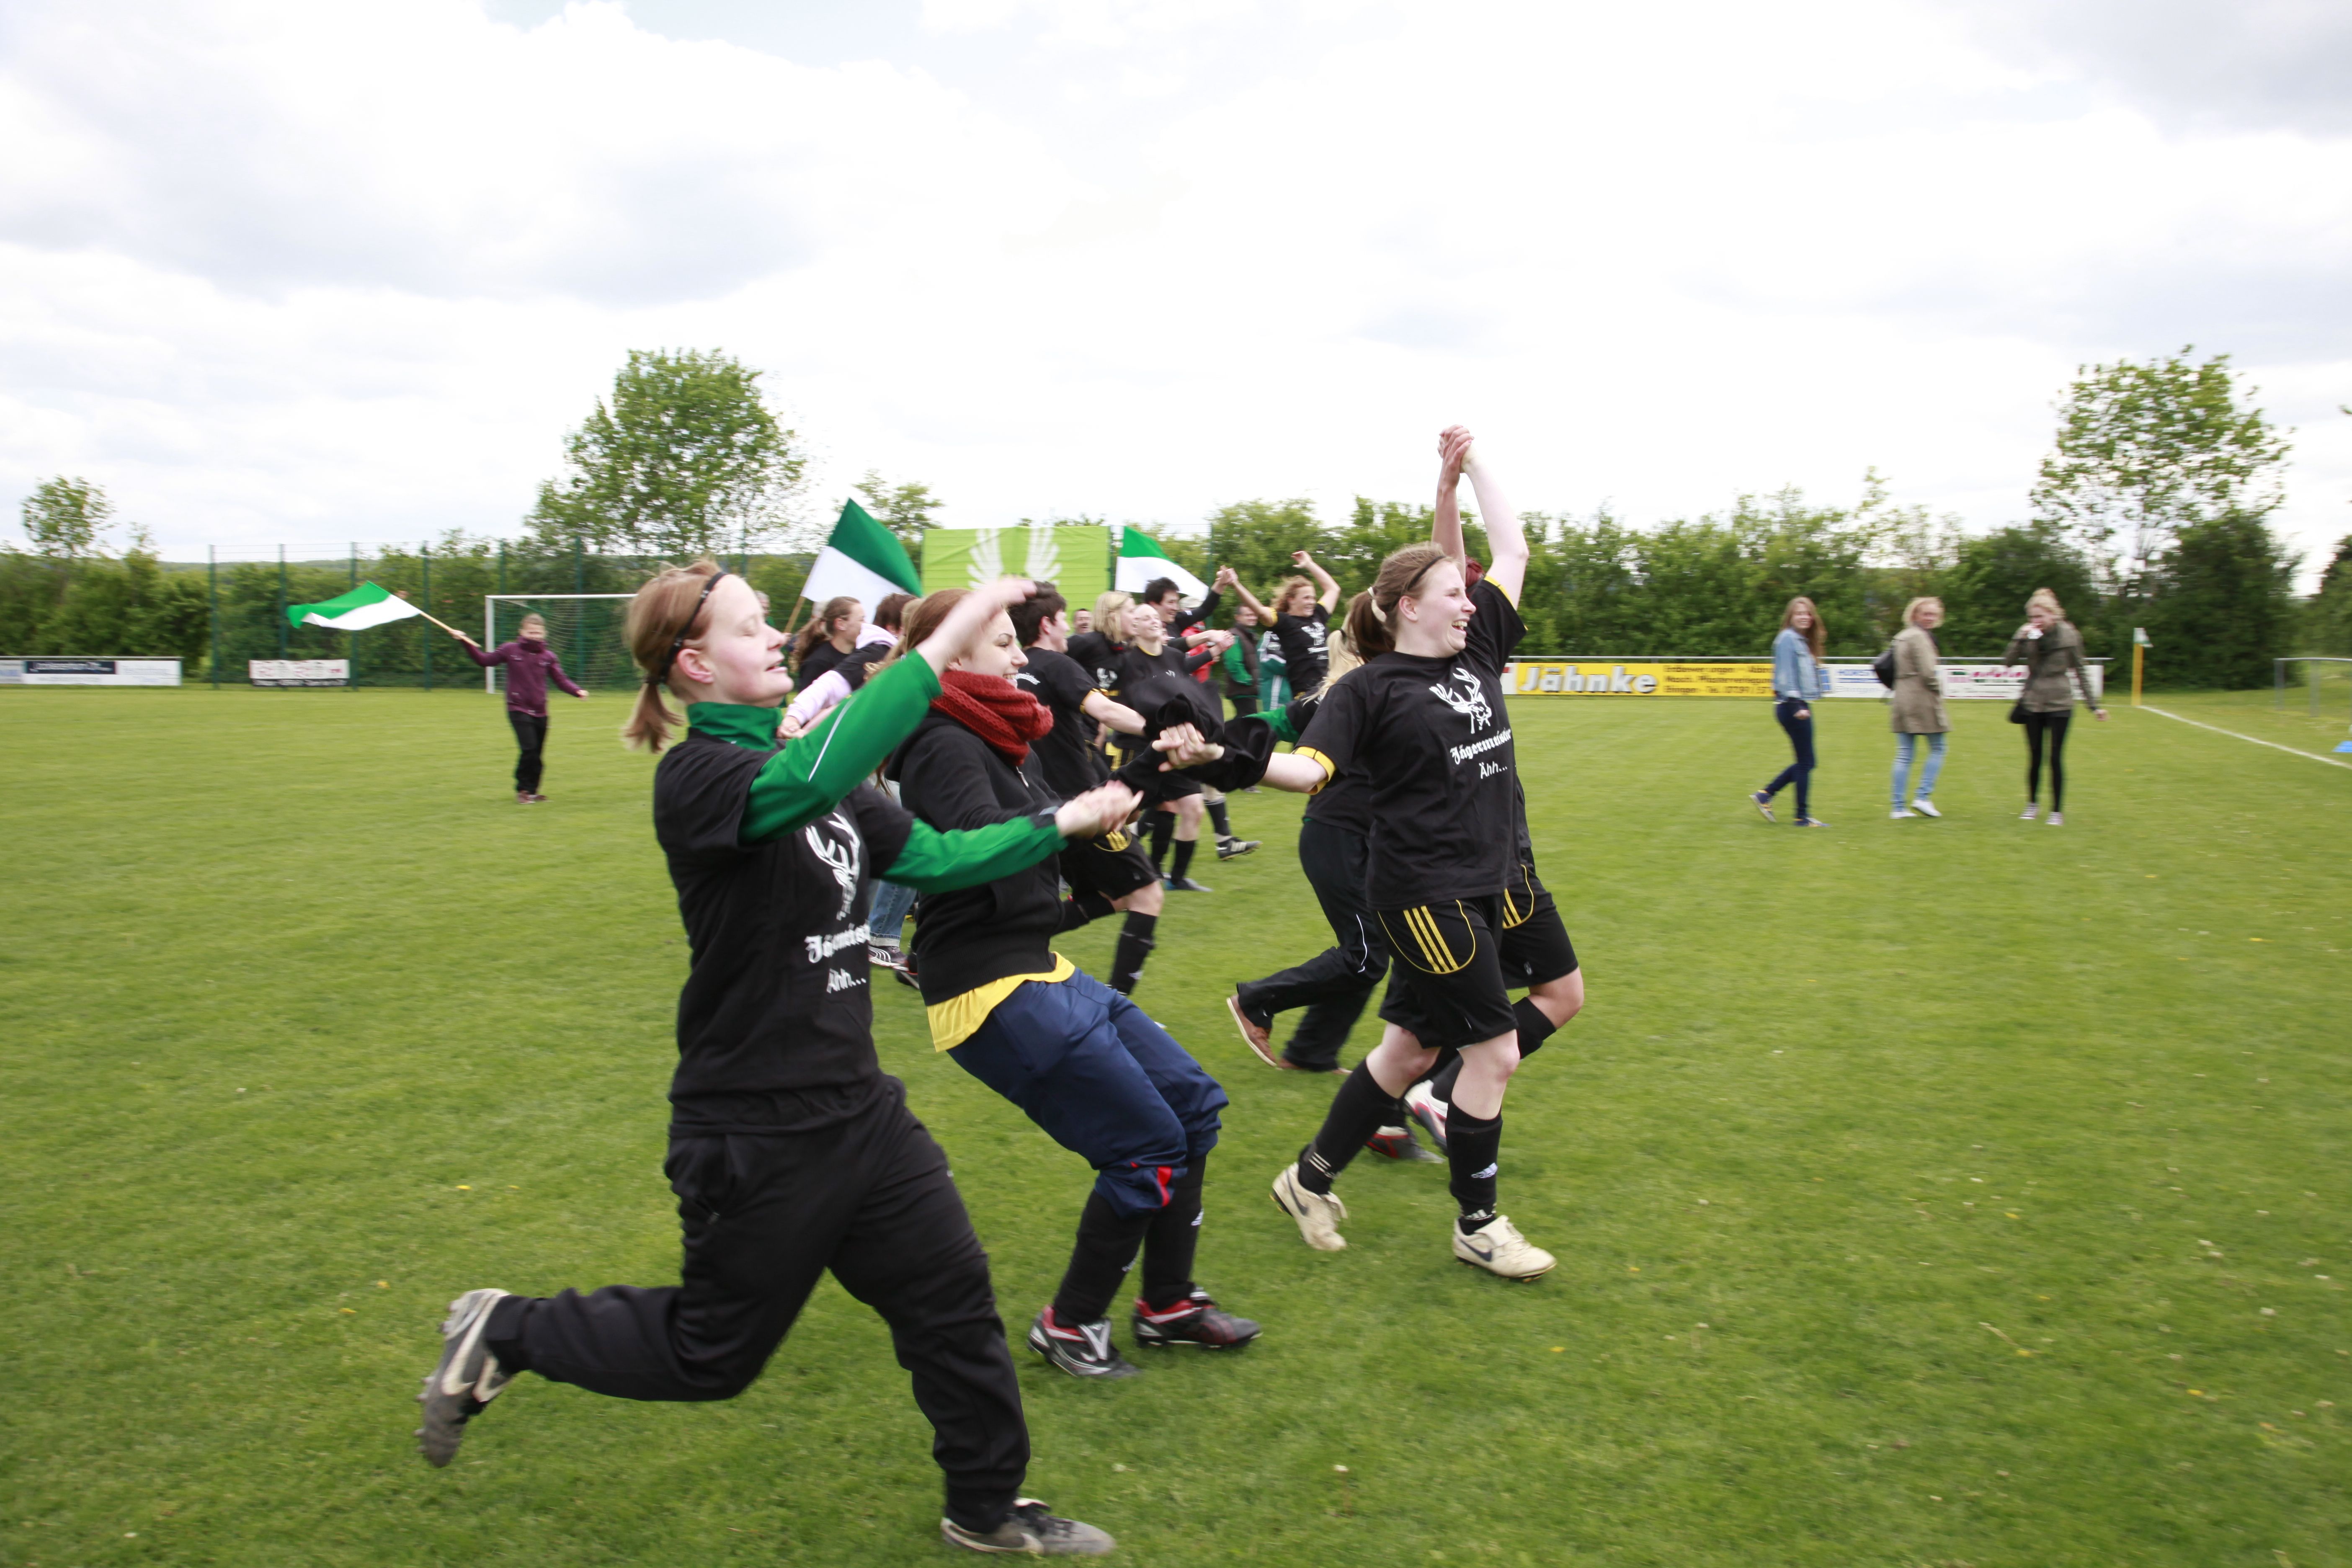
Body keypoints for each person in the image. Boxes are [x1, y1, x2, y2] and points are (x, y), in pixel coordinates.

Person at [414, 565, 1130, 1557]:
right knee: (711, 1353)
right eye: (750, 628)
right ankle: (504, 1328)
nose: (772, 639)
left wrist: (1060, 822)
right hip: (758, 1122)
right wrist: (943, 638)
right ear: (696, 664)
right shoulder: (702, 778)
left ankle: (986, 1504)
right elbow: (807, 783)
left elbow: (931, 858)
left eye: (766, 624)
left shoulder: (808, 762)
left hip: (861, 1110)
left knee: (952, 1296)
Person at [1203, 428, 1564, 1280]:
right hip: (1426, 894)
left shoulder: (1478, 648)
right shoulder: (1366, 689)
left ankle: (1308, 1180)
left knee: (1408, 1050)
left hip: (1491, 880)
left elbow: (1509, 549)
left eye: (1469, 590)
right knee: (1494, 1053)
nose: (1471, 597)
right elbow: (1310, 771)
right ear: (1408, 607)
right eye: (1455, 591)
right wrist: (1234, 758)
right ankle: (1478, 1224)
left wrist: (1465, 472)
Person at [888, 589, 1260, 1381]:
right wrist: (1077, 822)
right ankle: (1071, 1324)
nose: (1021, 656)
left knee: (1192, 1107)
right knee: (1145, 1148)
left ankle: (1168, 1303)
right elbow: (978, 842)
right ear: (954, 654)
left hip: (1033, 967)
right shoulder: (942, 741)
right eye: (1003, 643)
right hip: (986, 990)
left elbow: (1061, 824)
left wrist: (1150, 773)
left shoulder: (1000, 739)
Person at [1011, 582, 1169, 995]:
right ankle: (1120, 1008)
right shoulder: (1056, 664)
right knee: (1147, 894)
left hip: (1038, 808)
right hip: (1083, 807)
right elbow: (1107, 711)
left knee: (1107, 896)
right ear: (1047, 624)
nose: (1068, 627)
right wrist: (1163, 728)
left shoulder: (1012, 668)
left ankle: (994, 939)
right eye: (1063, 619)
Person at [1106, 598, 1248, 886]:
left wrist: (1216, 649)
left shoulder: (1172, 656)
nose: (1154, 620)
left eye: (1155, 617)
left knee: (1193, 808)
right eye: (1145, 618)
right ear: (1134, 627)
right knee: (1125, 814)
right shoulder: (1129, 662)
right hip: (1138, 748)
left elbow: (1188, 666)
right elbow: (1119, 704)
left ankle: (1174, 879)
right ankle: (1115, 868)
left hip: (1174, 745)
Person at [450, 612, 588, 804]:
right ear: (522, 632)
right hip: (518, 708)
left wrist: (577, 691)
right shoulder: (510, 650)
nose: (534, 636)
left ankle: (532, 792)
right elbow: (484, 660)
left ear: (544, 634)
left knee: (537, 755)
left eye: (538, 633)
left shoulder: (549, 657)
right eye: (531, 632)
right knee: (529, 749)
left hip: (541, 711)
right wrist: (465, 641)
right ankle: (522, 790)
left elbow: (561, 680)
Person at [2006, 587, 2108, 825]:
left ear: (2053, 615)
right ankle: (2032, 805)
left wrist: (2094, 706)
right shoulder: (2028, 634)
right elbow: (2008, 662)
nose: (2035, 621)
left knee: (2055, 758)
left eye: (2040, 616)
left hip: (2060, 702)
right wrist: (2020, 638)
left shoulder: (2070, 636)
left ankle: (2056, 811)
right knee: (2035, 756)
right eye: (2031, 617)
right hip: (2033, 701)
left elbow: (2081, 671)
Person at [1751, 597, 1828, 826]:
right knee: (1806, 763)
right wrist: (1797, 706)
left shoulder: (1801, 640)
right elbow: (1784, 676)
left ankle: (1767, 795)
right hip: (1792, 706)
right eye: (1799, 613)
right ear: (1791, 617)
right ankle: (1801, 816)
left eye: (1808, 613)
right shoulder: (1787, 639)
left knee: (1807, 762)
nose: (1804, 617)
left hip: (1796, 704)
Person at [1228, 555, 1340, 698]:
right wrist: (1236, 585)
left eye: (1313, 598)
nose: (1312, 602)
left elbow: (1333, 589)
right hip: (1306, 694)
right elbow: (1260, 611)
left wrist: (1310, 564)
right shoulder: (1286, 622)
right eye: (1306, 598)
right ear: (1291, 600)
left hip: (1327, 689)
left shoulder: (1319, 615)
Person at [1888, 597, 1950, 821]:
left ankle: (1898, 807)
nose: (1930, 618)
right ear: (1915, 615)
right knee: (1938, 748)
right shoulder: (1920, 637)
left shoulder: (1902, 636)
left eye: (1934, 614)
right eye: (1926, 614)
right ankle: (1923, 796)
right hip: (1921, 697)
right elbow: (1928, 672)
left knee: (1904, 754)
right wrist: (1939, 689)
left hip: (1902, 696)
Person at [1221, 600, 1263, 718]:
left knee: (1245, 721)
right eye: (1248, 615)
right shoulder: (1234, 636)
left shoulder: (1250, 636)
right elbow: (1233, 664)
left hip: (1248, 691)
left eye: (1254, 615)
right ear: (1238, 618)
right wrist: (1249, 681)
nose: (1253, 618)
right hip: (1242, 690)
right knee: (1249, 721)